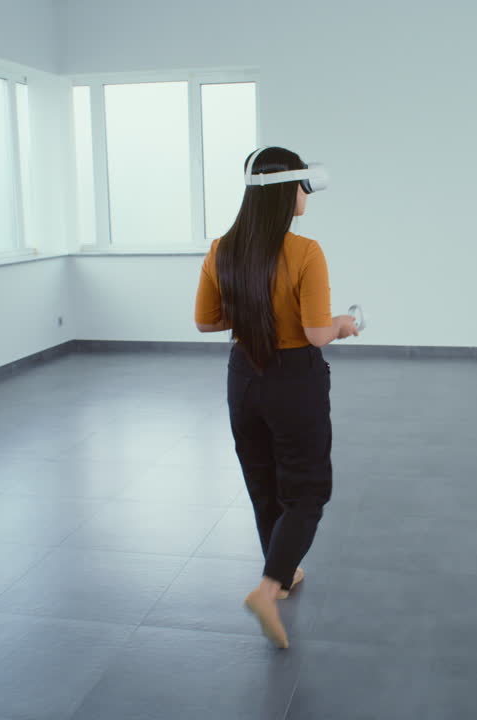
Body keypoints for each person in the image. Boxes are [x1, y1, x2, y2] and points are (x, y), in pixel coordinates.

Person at [193, 146, 358, 649]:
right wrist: (346, 325)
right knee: (306, 491)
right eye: (303, 185)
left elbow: (205, 321)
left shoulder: (223, 248)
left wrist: (251, 312)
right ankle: (268, 589)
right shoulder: (306, 252)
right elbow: (314, 333)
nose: (307, 195)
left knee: (263, 482)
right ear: (290, 189)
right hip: (293, 380)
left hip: (243, 376)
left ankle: (282, 573)